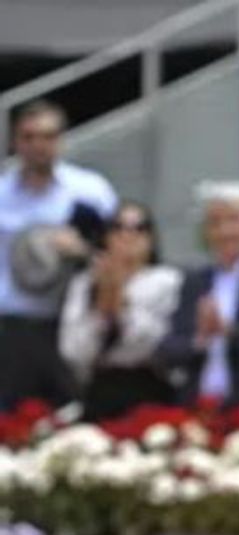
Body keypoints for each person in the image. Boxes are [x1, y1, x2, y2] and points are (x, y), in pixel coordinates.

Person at [0, 100, 118, 411]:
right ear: (15, 141)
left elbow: (120, 253)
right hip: (12, 324)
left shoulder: (90, 191)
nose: (39, 145)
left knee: (71, 414)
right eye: (29, 136)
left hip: (70, 323)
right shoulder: (1, 193)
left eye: (48, 136)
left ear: (62, 139)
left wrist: (81, 250)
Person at [59, 202, 181, 421]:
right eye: (119, 227)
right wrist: (102, 304)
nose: (128, 235)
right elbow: (73, 349)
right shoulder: (84, 283)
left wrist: (120, 302)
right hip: (99, 386)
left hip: (149, 387)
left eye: (139, 228)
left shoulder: (168, 281)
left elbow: (154, 342)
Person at [159, 181, 239, 408]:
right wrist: (200, 338)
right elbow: (168, 348)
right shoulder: (196, 280)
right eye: (215, 223)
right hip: (198, 403)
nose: (225, 231)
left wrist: (228, 331)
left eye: (234, 219)